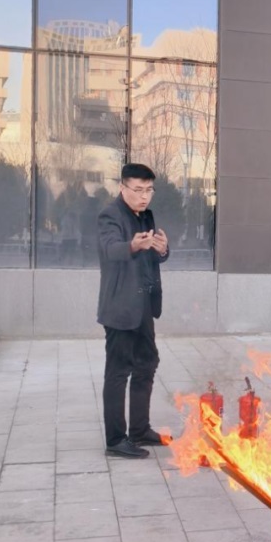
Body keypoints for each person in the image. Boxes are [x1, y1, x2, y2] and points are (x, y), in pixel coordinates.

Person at [97, 163, 170, 459]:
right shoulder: (110, 215)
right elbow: (109, 249)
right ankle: (116, 439)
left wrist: (162, 250)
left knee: (146, 363)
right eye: (138, 190)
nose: (144, 196)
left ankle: (140, 430)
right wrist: (132, 246)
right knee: (118, 372)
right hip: (120, 307)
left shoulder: (146, 216)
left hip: (143, 306)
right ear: (122, 188)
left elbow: (151, 258)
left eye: (149, 190)